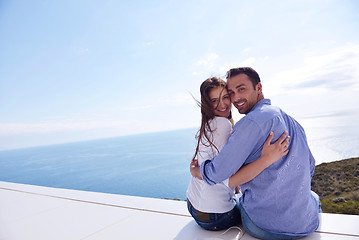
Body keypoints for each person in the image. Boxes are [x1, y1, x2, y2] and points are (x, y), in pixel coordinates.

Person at [191, 68, 321, 239]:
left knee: (239, 203)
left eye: (241, 89)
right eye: (231, 92)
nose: (236, 98)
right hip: (306, 223)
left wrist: (198, 171)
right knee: (314, 197)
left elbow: (217, 174)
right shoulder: (289, 119)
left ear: (258, 87)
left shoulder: (250, 123)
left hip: (266, 227)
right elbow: (310, 165)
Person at [187, 77, 290, 231]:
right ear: (207, 104)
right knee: (264, 213)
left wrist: (197, 172)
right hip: (216, 216)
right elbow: (225, 179)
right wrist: (267, 159)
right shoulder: (222, 124)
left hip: (193, 206)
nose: (222, 105)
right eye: (214, 100)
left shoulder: (208, 125)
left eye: (225, 97)